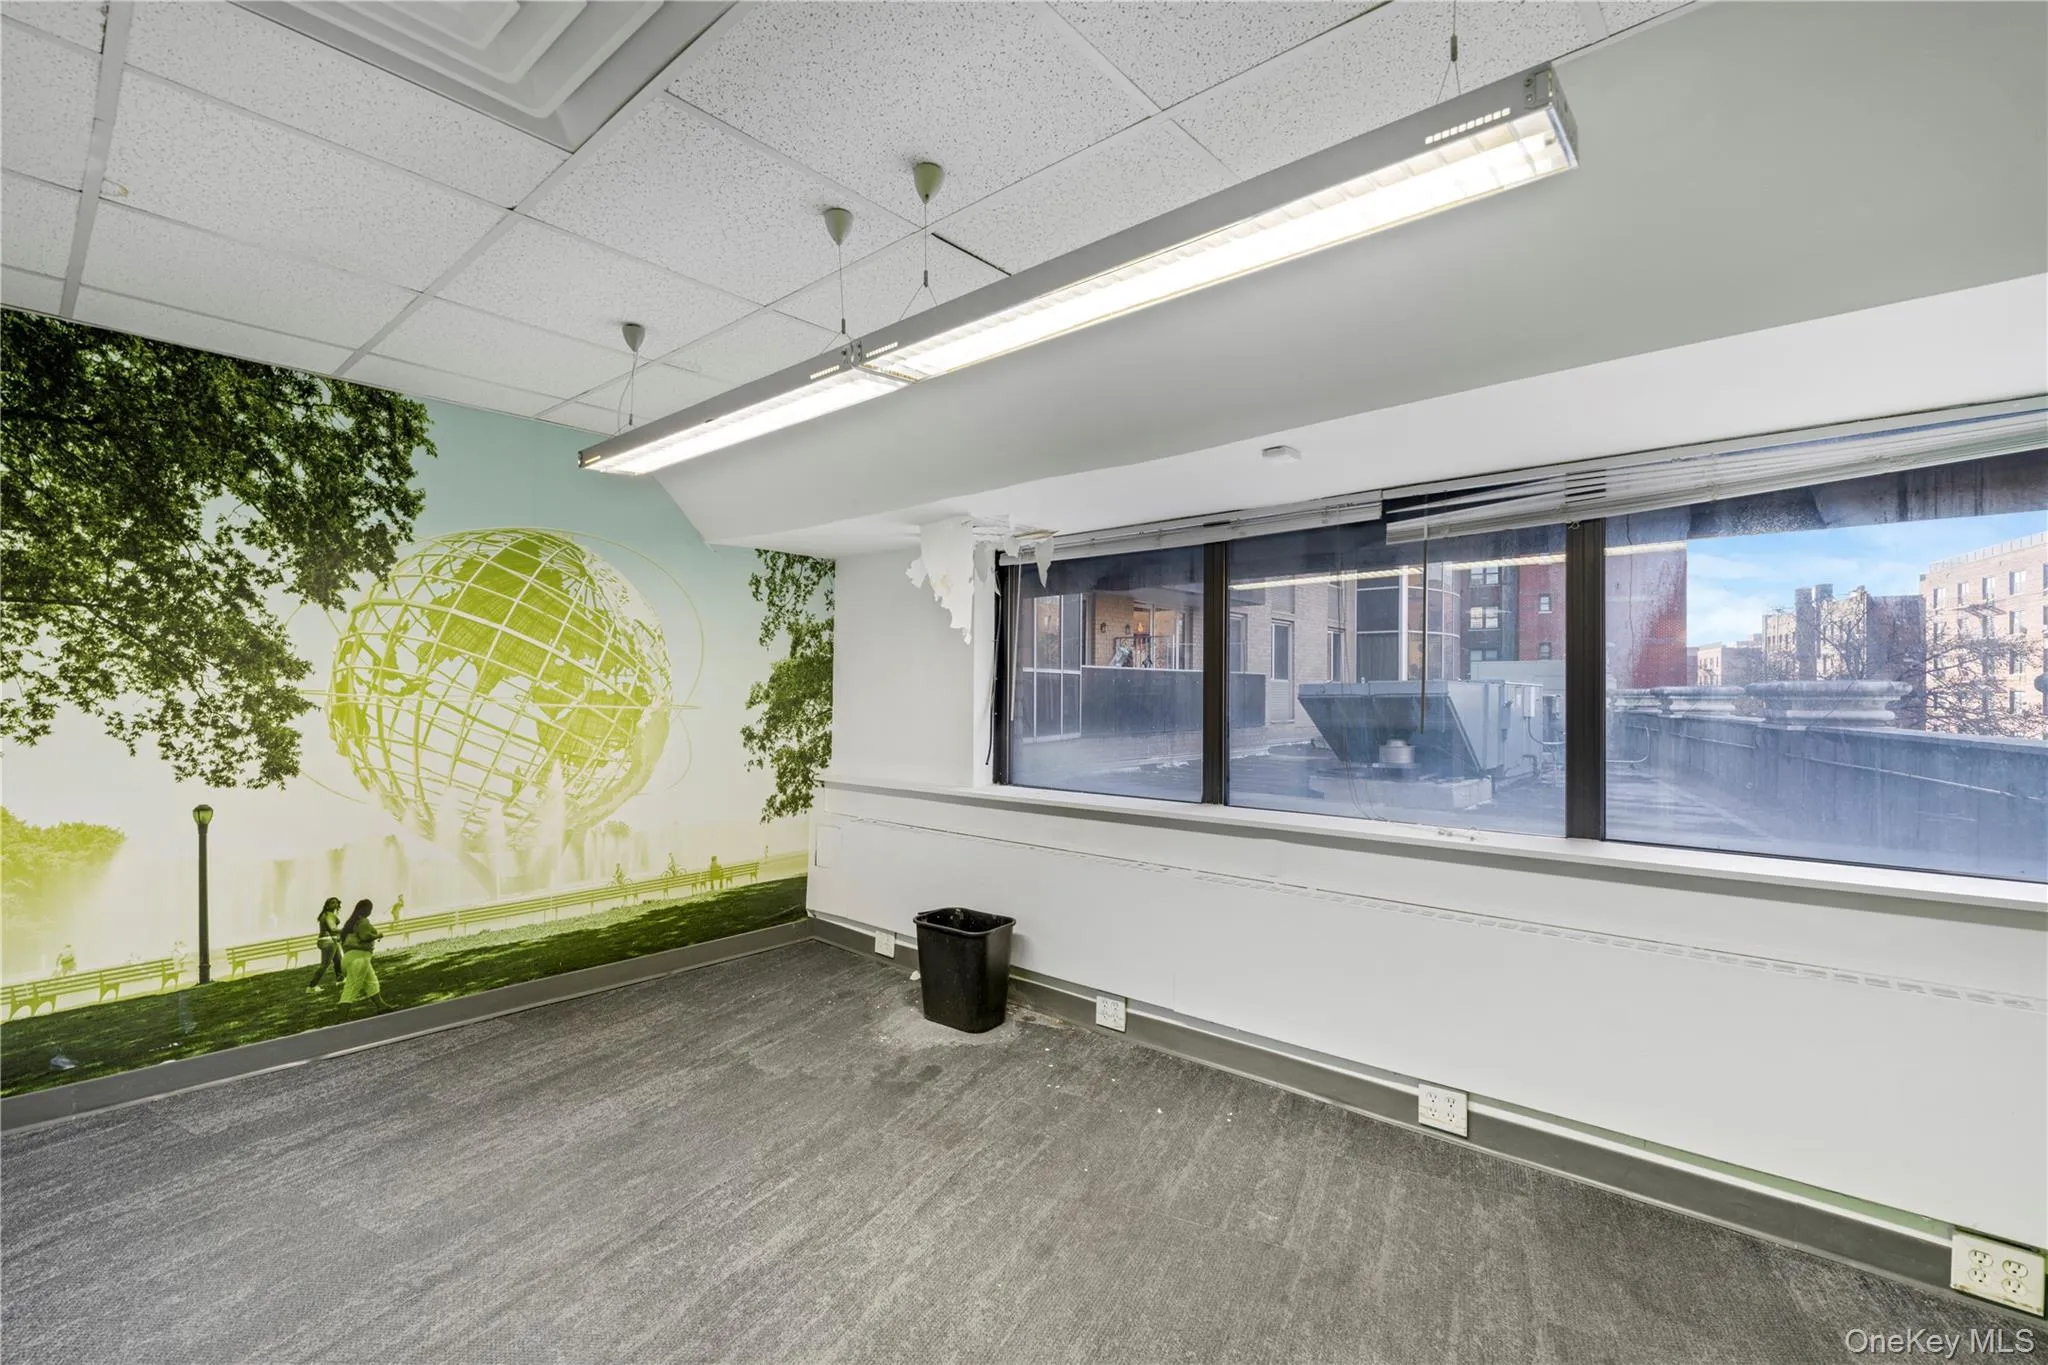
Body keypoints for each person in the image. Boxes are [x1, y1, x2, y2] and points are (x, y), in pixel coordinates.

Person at [336, 899, 392, 1014]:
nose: (370, 911)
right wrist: (378, 935)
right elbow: (364, 937)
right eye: (370, 908)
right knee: (351, 987)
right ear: (366, 909)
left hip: (349, 959)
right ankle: (341, 1017)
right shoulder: (363, 921)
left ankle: (381, 1006)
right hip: (359, 959)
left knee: (372, 981)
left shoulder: (350, 923)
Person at [307, 897, 344, 990]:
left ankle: (340, 980)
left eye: (336, 902)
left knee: (338, 959)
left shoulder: (327, 914)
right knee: (325, 965)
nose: (335, 904)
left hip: (328, 940)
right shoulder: (328, 915)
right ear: (327, 906)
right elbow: (333, 929)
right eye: (332, 903)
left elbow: (331, 930)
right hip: (328, 941)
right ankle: (311, 986)